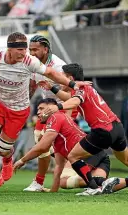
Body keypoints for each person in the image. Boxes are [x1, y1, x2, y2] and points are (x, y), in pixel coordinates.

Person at [0, 32, 90, 196]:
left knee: (4, 149)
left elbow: (52, 74)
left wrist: (73, 84)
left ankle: (8, 159)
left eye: (26, 49)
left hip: (20, 109)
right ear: (9, 49)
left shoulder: (31, 61)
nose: (24, 53)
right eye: (21, 49)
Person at [41, 63, 128, 195]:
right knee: (126, 160)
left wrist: (57, 107)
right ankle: (104, 184)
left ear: (69, 77)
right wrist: (52, 88)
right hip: (117, 127)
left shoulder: (80, 88)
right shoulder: (83, 88)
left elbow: (75, 102)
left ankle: (94, 189)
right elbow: (71, 98)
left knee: (73, 156)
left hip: (103, 130)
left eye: (61, 76)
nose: (59, 79)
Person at [13, 99, 124, 194]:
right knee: (102, 185)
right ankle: (104, 183)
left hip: (88, 155)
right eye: (38, 109)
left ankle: (94, 186)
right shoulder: (58, 136)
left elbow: (42, 147)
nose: (38, 112)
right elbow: (59, 165)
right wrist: (53, 191)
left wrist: (22, 160)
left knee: (65, 182)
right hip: (101, 158)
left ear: (51, 108)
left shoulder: (55, 117)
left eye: (41, 108)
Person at [23, 35, 67, 192]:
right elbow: (33, 85)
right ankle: (39, 182)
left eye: (35, 49)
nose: (32, 53)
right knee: (41, 142)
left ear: (45, 49)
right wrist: (24, 103)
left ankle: (90, 175)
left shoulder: (59, 66)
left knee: (65, 150)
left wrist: (61, 107)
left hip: (63, 108)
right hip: (45, 108)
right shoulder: (32, 63)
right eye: (30, 49)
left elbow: (69, 90)